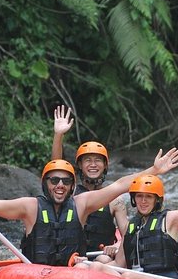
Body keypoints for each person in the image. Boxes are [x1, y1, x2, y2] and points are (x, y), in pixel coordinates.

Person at [0, 148, 178, 266]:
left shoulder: (82, 204)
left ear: (72, 185)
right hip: (36, 274)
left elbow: (119, 185)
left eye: (65, 181)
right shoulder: (30, 207)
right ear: (46, 184)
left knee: (98, 270)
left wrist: (154, 171)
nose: (60, 185)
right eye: (54, 180)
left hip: (73, 272)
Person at [51, 105, 127, 262]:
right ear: (79, 165)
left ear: (105, 165)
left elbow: (127, 235)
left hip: (100, 258)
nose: (93, 164)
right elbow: (56, 168)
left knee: (104, 261)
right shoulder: (69, 193)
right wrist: (58, 135)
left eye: (98, 160)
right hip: (73, 257)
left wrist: (118, 244)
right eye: (88, 160)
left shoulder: (115, 201)